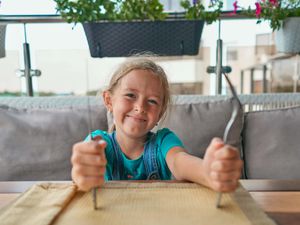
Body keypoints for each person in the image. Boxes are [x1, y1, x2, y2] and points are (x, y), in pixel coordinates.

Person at [71, 57, 243, 192]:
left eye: (152, 101)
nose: (140, 107)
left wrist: (208, 172)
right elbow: (81, 172)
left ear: (160, 112)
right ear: (109, 100)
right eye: (130, 95)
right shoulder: (98, 142)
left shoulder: (164, 141)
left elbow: (180, 162)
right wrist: (82, 173)